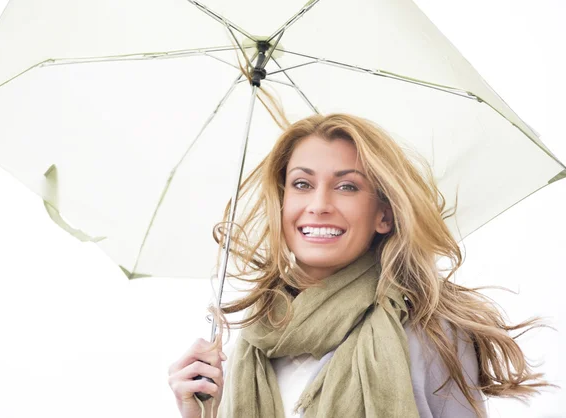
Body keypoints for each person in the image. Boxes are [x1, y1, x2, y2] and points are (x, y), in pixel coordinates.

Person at [168, 114, 551, 418]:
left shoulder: (429, 333)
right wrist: (200, 414)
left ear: (383, 215)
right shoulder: (252, 344)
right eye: (301, 184)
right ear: (282, 202)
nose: (318, 204)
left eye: (347, 186)